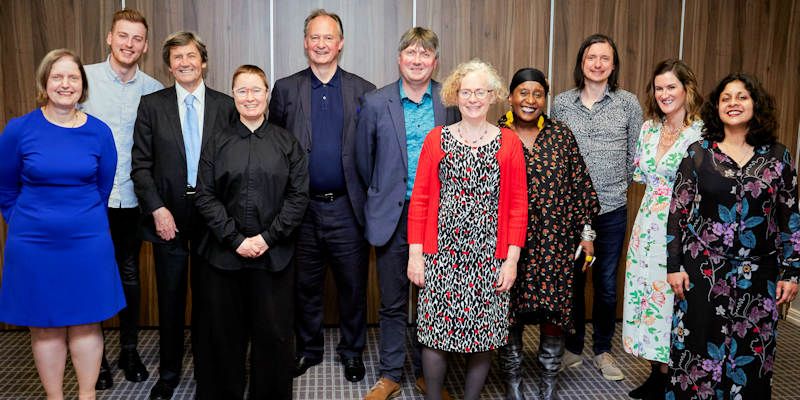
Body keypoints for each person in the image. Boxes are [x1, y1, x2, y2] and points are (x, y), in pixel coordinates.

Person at [0, 48, 125, 400]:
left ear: (83, 86)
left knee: (87, 321)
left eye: (73, 77)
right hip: (33, 244)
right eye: (57, 77)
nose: (65, 84)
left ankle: (87, 395)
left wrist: (79, 221)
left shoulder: (99, 132)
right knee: (44, 326)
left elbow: (102, 187)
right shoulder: (19, 130)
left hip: (87, 241)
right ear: (44, 82)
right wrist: (25, 222)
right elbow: (6, 188)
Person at [665, 73, 799, 399]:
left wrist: (792, 271)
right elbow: (677, 214)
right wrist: (673, 266)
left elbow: (790, 218)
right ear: (717, 107)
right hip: (703, 272)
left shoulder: (777, 157)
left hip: (758, 275)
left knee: (752, 352)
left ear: (756, 105)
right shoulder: (698, 153)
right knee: (696, 349)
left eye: (742, 97)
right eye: (726, 98)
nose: (733, 104)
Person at [407, 59, 528, 400]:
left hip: (491, 256)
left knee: (484, 334)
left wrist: (512, 260)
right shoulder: (437, 139)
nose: (473, 98)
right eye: (466, 91)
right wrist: (416, 255)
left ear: (493, 97)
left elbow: (519, 205)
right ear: (455, 95)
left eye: (480, 91)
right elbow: (420, 200)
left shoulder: (509, 143)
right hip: (441, 254)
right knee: (434, 333)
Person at [268, 9, 376, 383]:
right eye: (315, 37)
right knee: (305, 285)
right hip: (302, 208)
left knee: (352, 286)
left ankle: (351, 352)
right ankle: (309, 349)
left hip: (348, 206)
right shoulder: (285, 88)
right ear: (305, 42)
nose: (321, 44)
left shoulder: (364, 91)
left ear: (341, 43)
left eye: (328, 37)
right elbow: (274, 146)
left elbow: (372, 149)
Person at [355, 27, 459, 400]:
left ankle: (428, 374)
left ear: (435, 61)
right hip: (392, 218)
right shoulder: (375, 103)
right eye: (411, 53)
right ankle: (390, 374)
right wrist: (382, 198)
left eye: (425, 54)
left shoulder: (449, 101)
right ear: (399, 59)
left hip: (440, 217)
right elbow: (362, 164)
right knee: (394, 300)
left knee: (434, 302)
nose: (417, 60)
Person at [193, 65, 309, 400]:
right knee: (223, 335)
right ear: (233, 95)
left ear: (267, 95)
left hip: (274, 256)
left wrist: (266, 238)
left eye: (256, 90)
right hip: (223, 256)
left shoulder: (287, 142)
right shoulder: (217, 141)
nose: (249, 97)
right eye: (242, 90)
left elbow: (298, 196)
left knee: (273, 335)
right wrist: (236, 239)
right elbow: (205, 194)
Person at [131, 31, 236, 400]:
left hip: (213, 216)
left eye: (191, 56)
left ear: (203, 61)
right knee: (171, 299)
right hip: (168, 216)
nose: (185, 63)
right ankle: (170, 374)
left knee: (212, 300)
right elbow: (140, 167)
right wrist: (157, 209)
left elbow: (238, 164)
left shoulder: (227, 106)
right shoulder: (152, 105)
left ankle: (211, 373)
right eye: (177, 58)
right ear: (169, 65)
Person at [497, 68, 600, 400]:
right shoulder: (494, 134)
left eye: (537, 94)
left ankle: (548, 383)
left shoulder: (561, 135)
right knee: (507, 309)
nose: (530, 100)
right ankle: (513, 383)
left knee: (554, 308)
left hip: (554, 244)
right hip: (508, 244)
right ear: (510, 96)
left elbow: (582, 190)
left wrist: (586, 236)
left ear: (546, 98)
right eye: (523, 93)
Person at [551, 33, 643, 381]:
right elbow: (555, 152)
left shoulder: (628, 104)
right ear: (582, 63)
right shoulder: (561, 103)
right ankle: (573, 349)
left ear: (613, 65)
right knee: (573, 281)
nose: (598, 64)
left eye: (605, 58)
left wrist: (618, 183)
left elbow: (637, 155)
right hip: (572, 213)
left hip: (612, 209)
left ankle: (603, 350)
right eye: (592, 57)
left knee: (605, 283)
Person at [81, 8, 164, 389]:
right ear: (109, 38)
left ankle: (128, 350)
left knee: (130, 275)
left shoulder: (152, 89)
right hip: (89, 201)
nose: (129, 44)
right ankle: (93, 361)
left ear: (144, 46)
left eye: (137, 38)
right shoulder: (84, 81)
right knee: (93, 276)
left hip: (132, 199)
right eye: (123, 36)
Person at [621, 59, 703, 400]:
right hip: (648, 222)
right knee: (647, 296)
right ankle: (657, 373)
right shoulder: (649, 129)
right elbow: (641, 177)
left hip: (683, 224)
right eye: (659, 88)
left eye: (671, 87)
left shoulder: (702, 133)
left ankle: (674, 376)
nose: (664, 94)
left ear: (687, 89)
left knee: (674, 298)